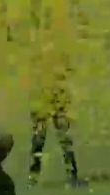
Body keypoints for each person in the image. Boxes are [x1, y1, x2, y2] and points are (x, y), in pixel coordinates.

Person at [28, 41, 80, 187]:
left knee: (43, 134)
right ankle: (69, 170)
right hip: (51, 91)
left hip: (49, 92)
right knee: (52, 134)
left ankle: (36, 171)